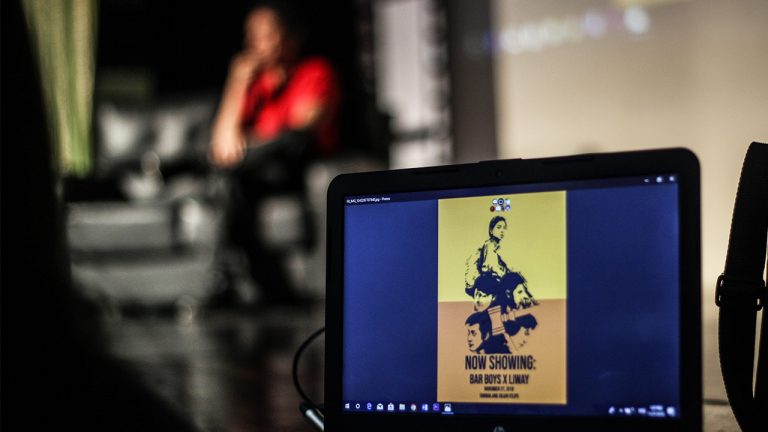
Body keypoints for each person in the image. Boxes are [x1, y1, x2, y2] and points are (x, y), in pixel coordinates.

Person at [209, 1, 341, 306]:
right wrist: (237, 81)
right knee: (223, 180)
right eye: (251, 35)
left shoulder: (314, 72)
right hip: (255, 174)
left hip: (297, 166)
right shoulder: (253, 85)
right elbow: (222, 142)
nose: (256, 43)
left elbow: (299, 131)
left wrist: (244, 148)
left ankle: (229, 277)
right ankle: (228, 277)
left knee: (276, 147)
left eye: (266, 34)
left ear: (291, 37)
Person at [465, 215, 512, 294]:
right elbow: (489, 267)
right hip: (488, 284)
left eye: (504, 228)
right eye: (498, 227)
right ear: (491, 230)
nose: (502, 231)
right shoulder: (490, 245)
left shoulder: (496, 247)